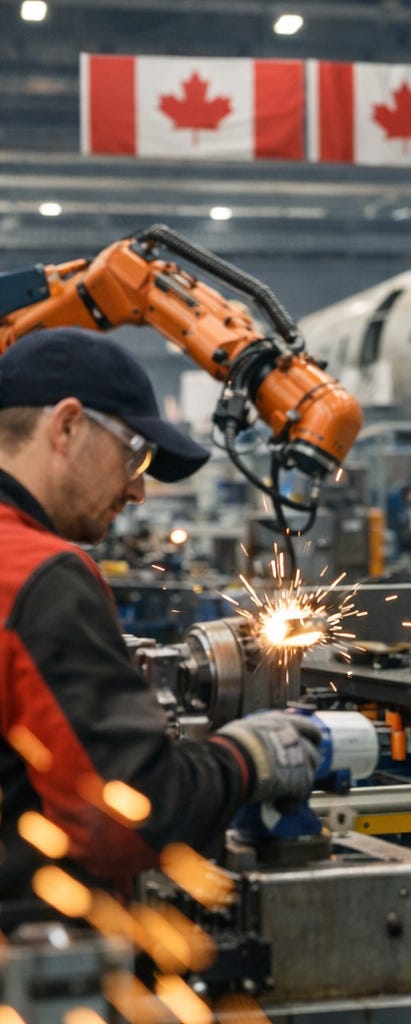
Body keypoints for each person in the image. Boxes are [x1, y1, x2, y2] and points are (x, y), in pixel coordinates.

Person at [0, 327, 322, 924]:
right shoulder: (34, 577)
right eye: (135, 454)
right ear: (67, 425)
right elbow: (125, 817)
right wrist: (248, 757)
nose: (138, 489)